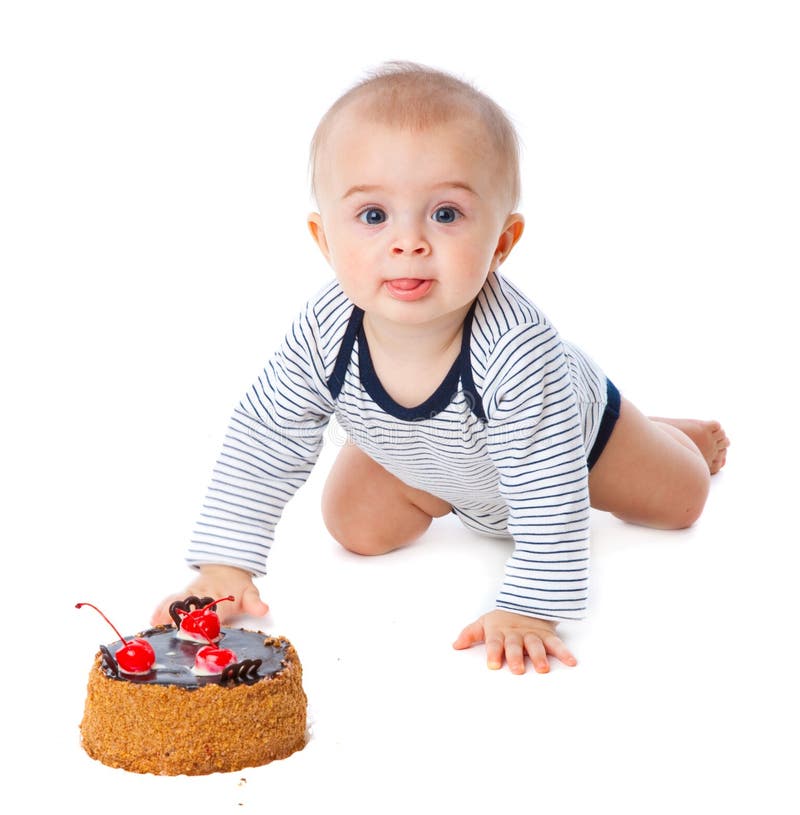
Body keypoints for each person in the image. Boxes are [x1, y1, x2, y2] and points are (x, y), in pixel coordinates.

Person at [152, 62, 729, 674]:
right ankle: (416, 444)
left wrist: (530, 607)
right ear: (324, 240)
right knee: (355, 527)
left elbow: (550, 492)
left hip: (575, 445)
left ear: (501, 243)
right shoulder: (325, 330)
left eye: (446, 214)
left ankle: (659, 433)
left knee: (682, 500)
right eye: (373, 216)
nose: (408, 242)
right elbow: (264, 436)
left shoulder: (516, 352)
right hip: (444, 453)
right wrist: (225, 564)